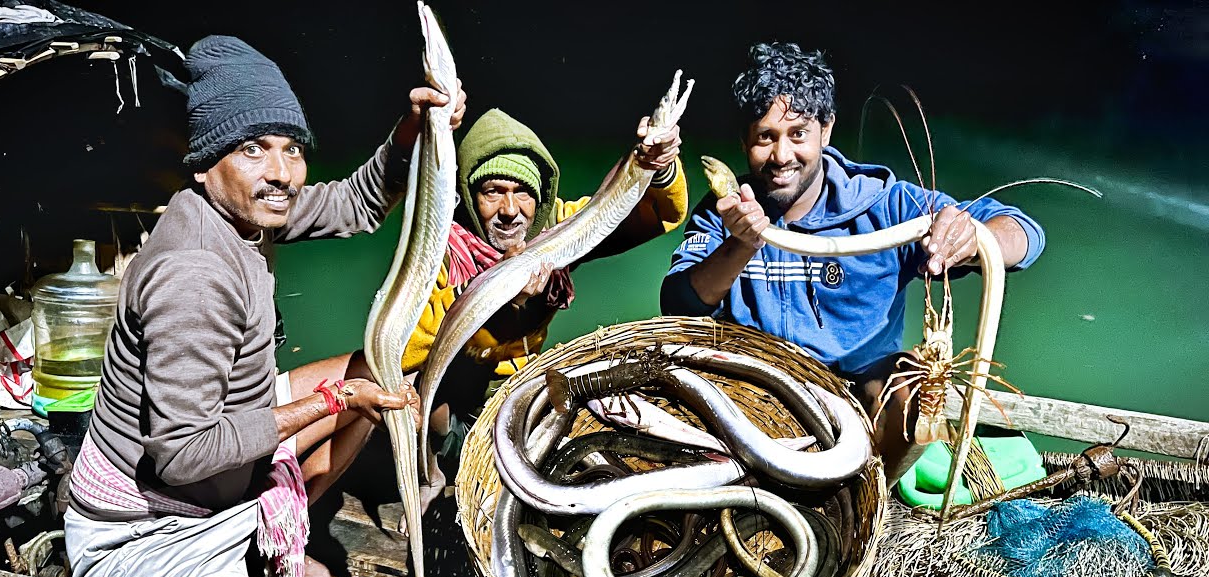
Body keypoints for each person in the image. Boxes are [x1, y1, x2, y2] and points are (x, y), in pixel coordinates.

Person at [61, 36, 465, 577]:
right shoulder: (192, 273)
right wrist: (333, 400)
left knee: (380, 369)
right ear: (203, 165)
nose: (282, 171)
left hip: (225, 469)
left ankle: (266, 536)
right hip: (156, 522)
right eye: (253, 148)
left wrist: (409, 136)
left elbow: (355, 205)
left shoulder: (247, 210)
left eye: (291, 147)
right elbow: (184, 454)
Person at [660, 42, 1045, 479]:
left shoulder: (888, 205)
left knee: (914, 388)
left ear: (827, 129)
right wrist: (742, 244)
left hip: (858, 390)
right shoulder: (725, 209)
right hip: (753, 385)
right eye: (765, 137)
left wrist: (972, 238)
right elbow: (678, 307)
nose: (782, 156)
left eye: (798, 134)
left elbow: (1025, 235)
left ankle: (871, 491)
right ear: (744, 140)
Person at [401, 107, 687, 499]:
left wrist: (660, 166)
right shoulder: (441, 254)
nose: (510, 211)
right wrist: (502, 308)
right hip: (449, 410)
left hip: (517, 393)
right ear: (469, 195)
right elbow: (413, 360)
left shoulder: (558, 231)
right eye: (492, 193)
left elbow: (658, 214)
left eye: (523, 193)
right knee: (407, 395)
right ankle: (429, 474)